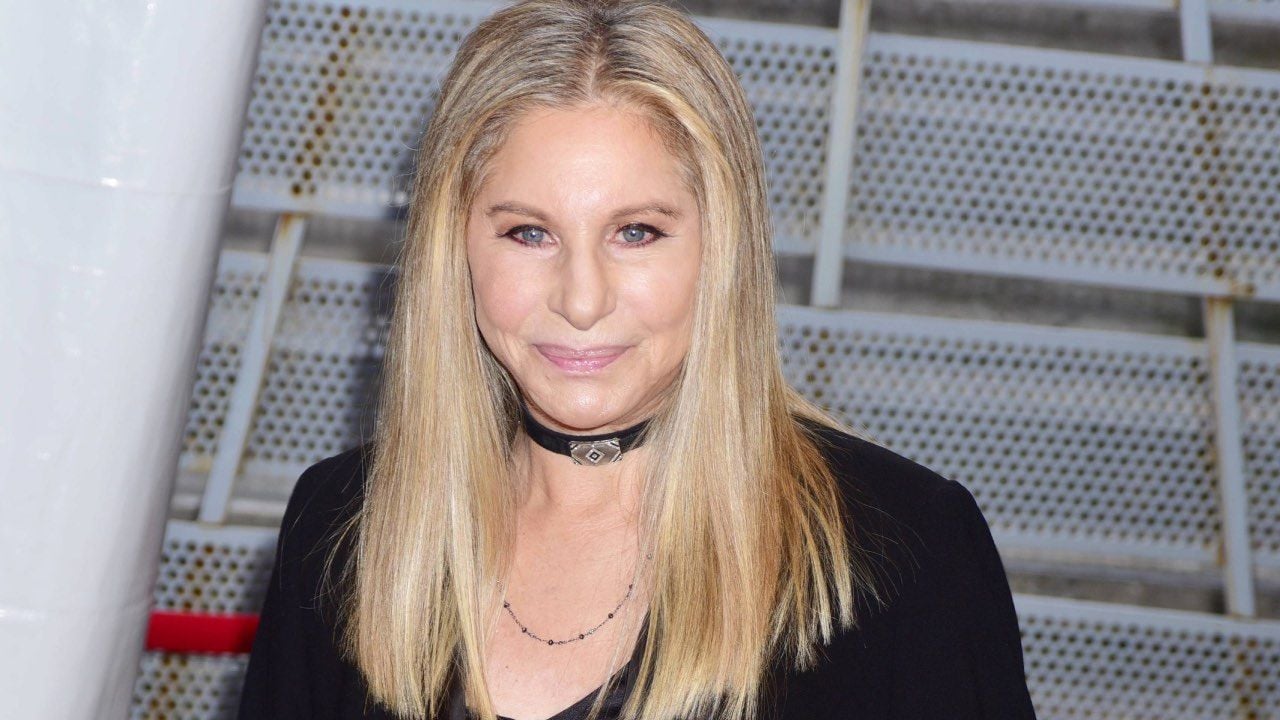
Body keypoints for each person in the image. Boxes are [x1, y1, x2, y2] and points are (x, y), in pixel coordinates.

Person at [237, 0, 1038, 718]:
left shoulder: (900, 552)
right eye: (528, 233)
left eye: (636, 233)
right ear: (455, 249)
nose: (582, 300)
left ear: (721, 248)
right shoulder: (341, 526)